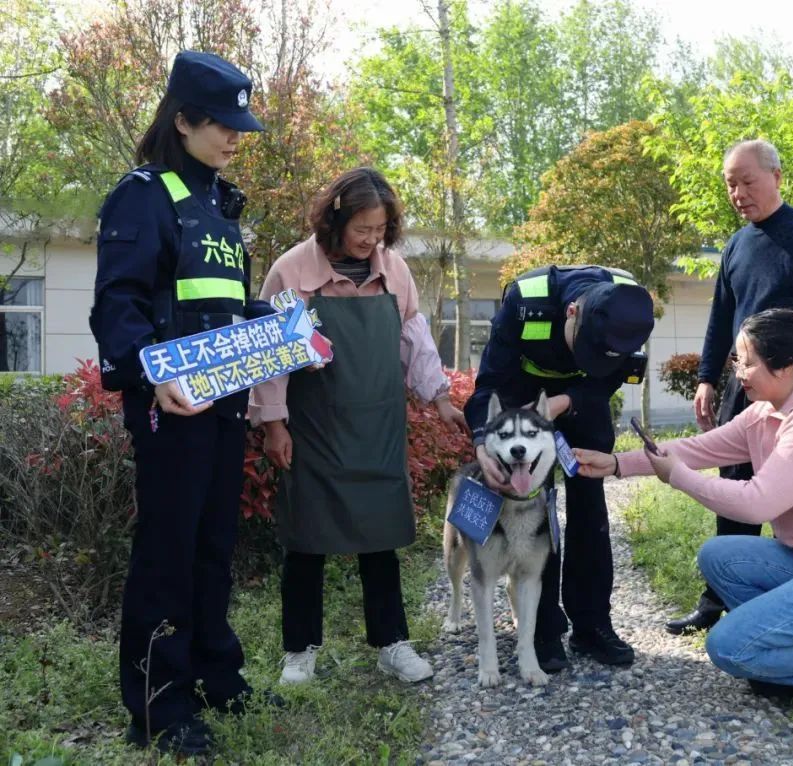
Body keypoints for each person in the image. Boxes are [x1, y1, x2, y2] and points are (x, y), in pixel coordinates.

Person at [575, 309, 793, 713]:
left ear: (785, 365)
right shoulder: (767, 411)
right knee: (720, 557)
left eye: (747, 360)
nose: (737, 369)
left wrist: (679, 478)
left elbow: (759, 502)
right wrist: (617, 464)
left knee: (729, 647)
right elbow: (698, 449)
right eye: (737, 359)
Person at [90, 51, 276, 756]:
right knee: (167, 554)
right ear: (183, 120)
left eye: (239, 126)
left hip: (224, 401)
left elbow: (213, 304)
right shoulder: (144, 195)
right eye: (222, 125)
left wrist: (279, 324)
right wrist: (148, 371)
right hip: (171, 406)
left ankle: (211, 673)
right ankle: (157, 703)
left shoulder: (221, 206)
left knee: (214, 548)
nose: (235, 138)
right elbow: (121, 303)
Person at [249, 167, 469, 686]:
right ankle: (299, 652)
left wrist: (439, 397)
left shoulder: (394, 271)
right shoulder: (292, 272)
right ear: (336, 219)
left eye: (380, 231)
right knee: (305, 542)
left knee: (381, 538)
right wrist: (274, 424)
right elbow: (271, 357)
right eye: (362, 229)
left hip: (378, 425)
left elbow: (415, 341)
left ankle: (393, 644)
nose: (372, 240)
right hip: (313, 428)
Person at [669, 138, 793, 636]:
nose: (738, 192)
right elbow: (720, 318)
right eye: (730, 183)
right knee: (735, 489)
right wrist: (708, 376)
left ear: (776, 176)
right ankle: (717, 598)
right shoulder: (735, 245)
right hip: (744, 386)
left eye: (746, 180)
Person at [466, 265, 654, 672]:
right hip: (522, 401)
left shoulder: (631, 307)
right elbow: (489, 383)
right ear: (571, 312)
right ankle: (544, 630)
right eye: (580, 345)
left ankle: (592, 625)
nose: (578, 355)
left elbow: (614, 375)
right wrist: (483, 441)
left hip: (584, 401)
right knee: (536, 511)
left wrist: (568, 400)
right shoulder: (525, 301)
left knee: (590, 510)